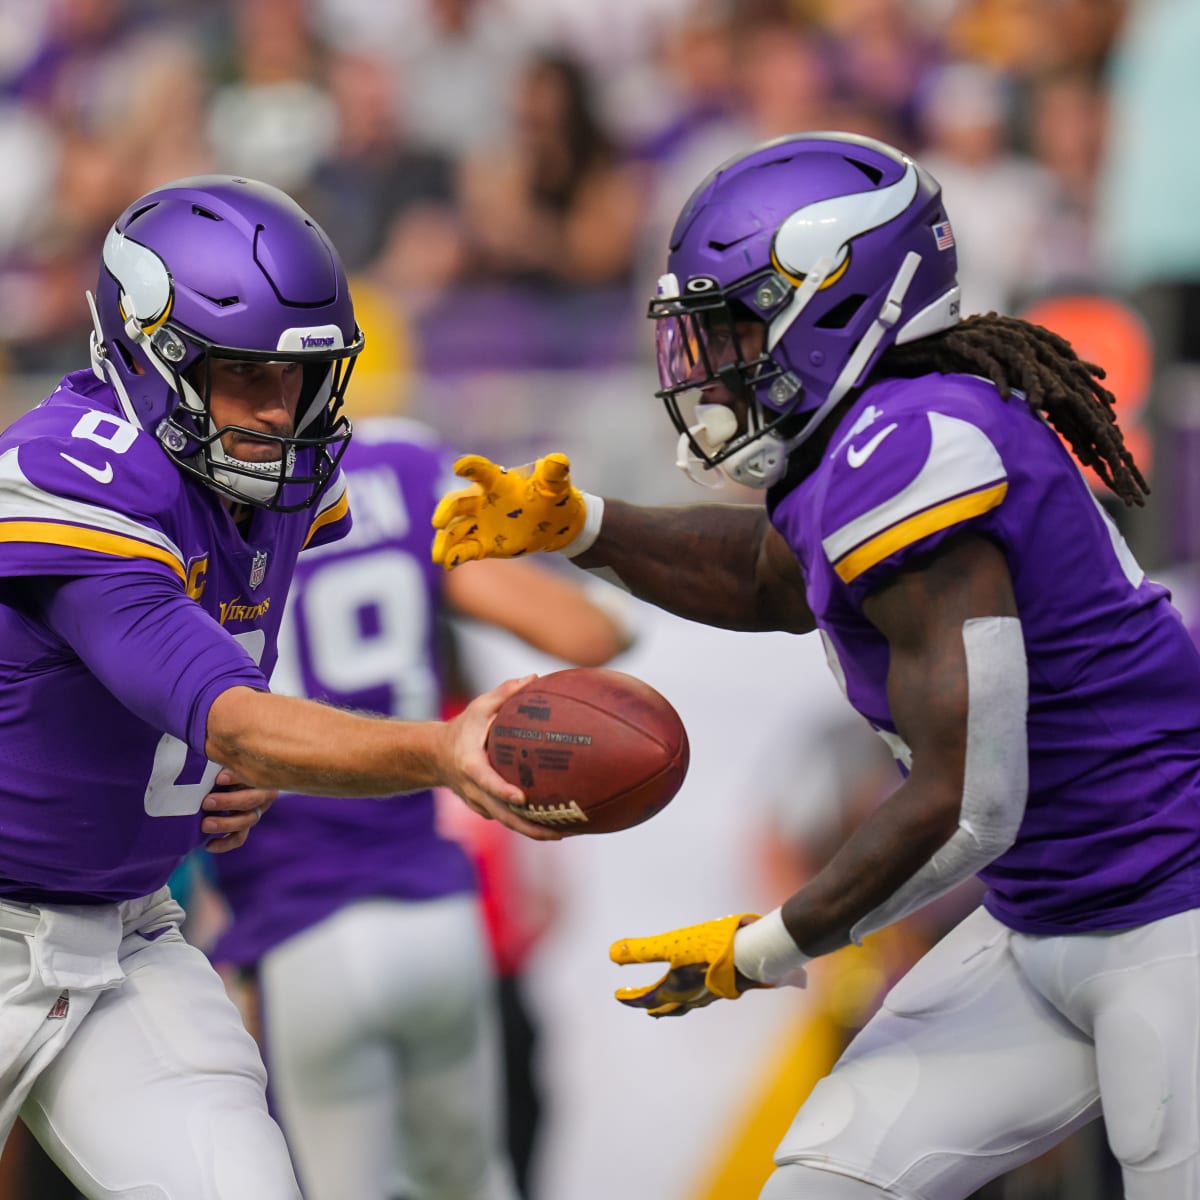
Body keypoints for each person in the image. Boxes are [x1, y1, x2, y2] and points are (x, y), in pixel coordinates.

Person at [429, 131, 1200, 1199]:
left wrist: (763, 949)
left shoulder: (918, 445)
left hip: (1172, 916)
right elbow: (771, 578)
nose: (707, 361)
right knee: (823, 1181)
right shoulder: (867, 441)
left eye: (735, 324)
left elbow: (967, 801)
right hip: (1043, 923)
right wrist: (581, 525)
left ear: (841, 306)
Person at [0, 173, 552, 1200]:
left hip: (123, 942)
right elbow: (222, 703)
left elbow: (207, 712)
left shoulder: (273, 475)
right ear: (150, 356)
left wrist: (229, 760)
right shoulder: (73, 478)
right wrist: (435, 751)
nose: (275, 411)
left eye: (297, 377)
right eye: (242, 373)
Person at [206, 413, 632, 1200]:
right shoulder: (397, 466)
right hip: (438, 914)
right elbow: (589, 632)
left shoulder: (186, 494)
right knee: (474, 1186)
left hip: (301, 925)